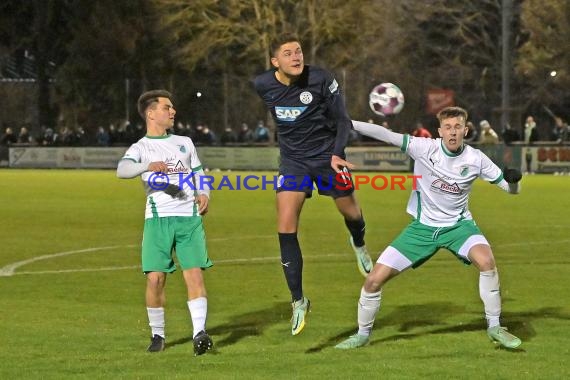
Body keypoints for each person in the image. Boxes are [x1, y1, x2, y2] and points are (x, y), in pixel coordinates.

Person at [335, 106, 523, 350]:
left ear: (465, 130)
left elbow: (510, 189)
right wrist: (349, 123)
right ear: (440, 131)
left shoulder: (475, 159)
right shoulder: (425, 148)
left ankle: (495, 326)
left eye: (457, 127)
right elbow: (386, 135)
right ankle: (362, 335)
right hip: (422, 229)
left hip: (459, 227)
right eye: (448, 127)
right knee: (373, 281)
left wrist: (515, 181)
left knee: (486, 262)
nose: (453, 132)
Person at [253, 33, 373, 336]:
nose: (296, 57)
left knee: (352, 214)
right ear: (275, 61)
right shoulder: (263, 85)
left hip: (329, 157)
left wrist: (335, 154)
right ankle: (299, 301)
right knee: (285, 226)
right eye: (288, 53)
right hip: (294, 162)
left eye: (299, 51)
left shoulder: (321, 79)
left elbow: (343, 121)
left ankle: (358, 242)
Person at [116, 90, 214, 355]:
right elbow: (122, 170)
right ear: (150, 113)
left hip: (189, 219)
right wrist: (147, 165)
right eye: (166, 107)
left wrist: (204, 193)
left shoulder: (184, 142)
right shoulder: (141, 147)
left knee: (193, 274)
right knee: (155, 280)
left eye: (172, 107)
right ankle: (158, 335)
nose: (173, 111)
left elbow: (198, 172)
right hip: (158, 220)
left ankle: (199, 334)